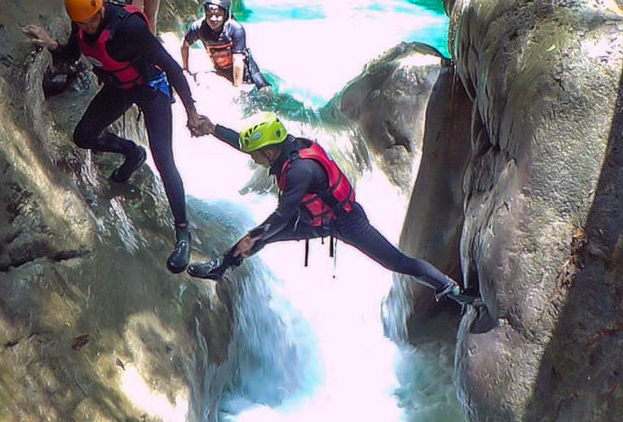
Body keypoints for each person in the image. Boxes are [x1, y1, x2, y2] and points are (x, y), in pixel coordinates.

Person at [22, 0, 200, 273]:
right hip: (120, 87)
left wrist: (191, 111)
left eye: (90, 21)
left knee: (164, 159)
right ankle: (131, 152)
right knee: (84, 135)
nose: (86, 27)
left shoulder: (129, 28)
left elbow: (170, 66)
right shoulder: (80, 23)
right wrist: (50, 42)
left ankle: (183, 231)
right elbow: (70, 55)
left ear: (100, 8)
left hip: (150, 87)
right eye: (80, 23)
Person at [186, 113, 465, 302]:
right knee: (256, 239)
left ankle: (450, 288)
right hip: (313, 219)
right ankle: (220, 268)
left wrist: (255, 237)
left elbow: (282, 216)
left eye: (256, 156)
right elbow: (246, 143)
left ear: (270, 152)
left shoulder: (299, 170)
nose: (253, 160)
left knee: (397, 262)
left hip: (347, 222)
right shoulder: (283, 146)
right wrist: (213, 130)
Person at [181, 0, 270, 90]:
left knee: (265, 90)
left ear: (225, 15)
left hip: (246, 69)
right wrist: (185, 68)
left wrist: (237, 87)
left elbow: (238, 60)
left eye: (218, 15)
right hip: (222, 68)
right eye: (210, 15)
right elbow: (185, 44)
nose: (213, 19)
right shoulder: (198, 27)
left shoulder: (236, 29)